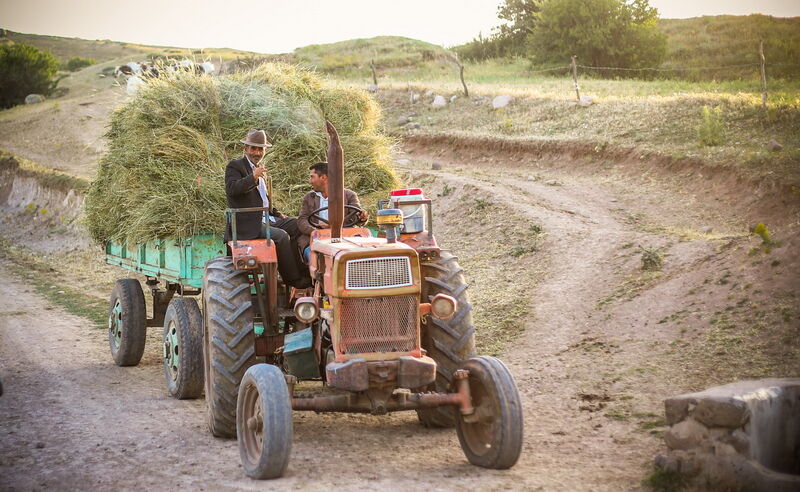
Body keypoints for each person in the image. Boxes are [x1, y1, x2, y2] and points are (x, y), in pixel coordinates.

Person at [224, 129, 310, 288]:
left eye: (260, 149)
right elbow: (232, 189)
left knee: (298, 226)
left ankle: (305, 271)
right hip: (248, 223)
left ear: (265, 151)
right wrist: (253, 177)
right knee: (282, 236)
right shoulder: (235, 166)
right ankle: (293, 280)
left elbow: (262, 198)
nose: (257, 152)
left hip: (266, 218)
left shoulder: (258, 167)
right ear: (245, 149)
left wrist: (276, 213)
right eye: (253, 148)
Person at [297, 162, 369, 261]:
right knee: (316, 258)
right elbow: (302, 220)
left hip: (345, 237)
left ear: (323, 177)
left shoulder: (349, 195)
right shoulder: (309, 198)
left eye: (312, 177)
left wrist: (362, 217)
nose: (310, 181)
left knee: (361, 255)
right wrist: (315, 229)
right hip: (317, 239)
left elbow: (356, 216)